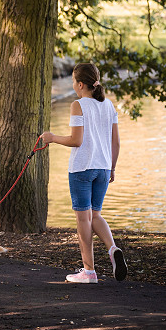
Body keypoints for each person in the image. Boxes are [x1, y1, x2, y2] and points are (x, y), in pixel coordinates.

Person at [41, 62, 128, 284]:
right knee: (95, 215)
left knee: (83, 220)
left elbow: (76, 140)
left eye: (73, 83)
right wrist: (112, 167)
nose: (73, 86)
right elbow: (116, 142)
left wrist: (52, 138)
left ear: (81, 84)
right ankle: (113, 249)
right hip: (103, 168)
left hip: (82, 169)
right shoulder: (108, 106)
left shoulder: (78, 105)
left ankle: (89, 272)